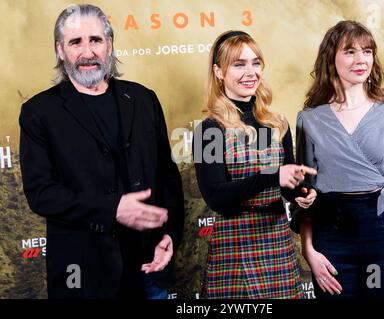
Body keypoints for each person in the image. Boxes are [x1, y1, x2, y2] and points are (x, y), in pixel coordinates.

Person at [19, 4, 184, 299]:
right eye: (75, 42)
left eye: (95, 40)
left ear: (109, 44)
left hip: (150, 270)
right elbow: (42, 194)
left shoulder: (144, 99)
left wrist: (170, 234)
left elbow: (167, 178)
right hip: (84, 276)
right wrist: (113, 209)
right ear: (60, 50)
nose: (88, 52)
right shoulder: (39, 113)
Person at [293, 20, 384, 299]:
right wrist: (310, 252)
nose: (361, 59)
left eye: (367, 51)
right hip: (331, 235)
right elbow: (304, 196)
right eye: (350, 51)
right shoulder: (310, 120)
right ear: (331, 58)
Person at [193, 30, 317, 299]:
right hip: (235, 246)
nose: (251, 72)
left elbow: (287, 183)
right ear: (219, 72)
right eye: (239, 64)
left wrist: (302, 193)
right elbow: (216, 197)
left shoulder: (275, 124)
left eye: (255, 62)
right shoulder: (211, 130)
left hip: (276, 245)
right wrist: (271, 176)